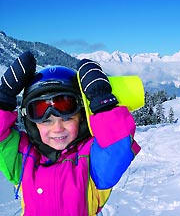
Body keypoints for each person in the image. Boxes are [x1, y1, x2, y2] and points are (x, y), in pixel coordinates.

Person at [0, 51, 141, 215]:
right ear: (32, 124)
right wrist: (3, 99)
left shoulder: (91, 163)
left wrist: (103, 104)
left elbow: (117, 144)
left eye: (66, 118)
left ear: (81, 118)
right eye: (46, 120)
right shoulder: (23, 161)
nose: (57, 128)